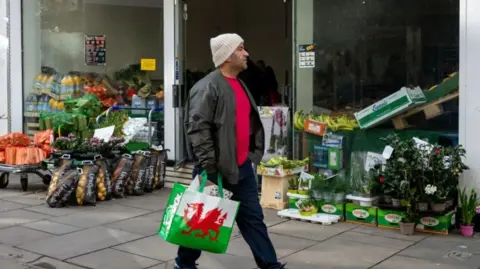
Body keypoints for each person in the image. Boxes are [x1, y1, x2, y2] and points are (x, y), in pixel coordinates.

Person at [177, 33, 286, 269]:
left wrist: (251, 156)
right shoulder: (207, 87)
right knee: (201, 221)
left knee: (254, 221)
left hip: (242, 168)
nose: (246, 54)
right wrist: (209, 166)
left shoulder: (240, 84)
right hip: (215, 169)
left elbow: (249, 125)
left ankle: (270, 265)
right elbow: (198, 128)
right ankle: (183, 265)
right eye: (240, 49)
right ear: (227, 56)